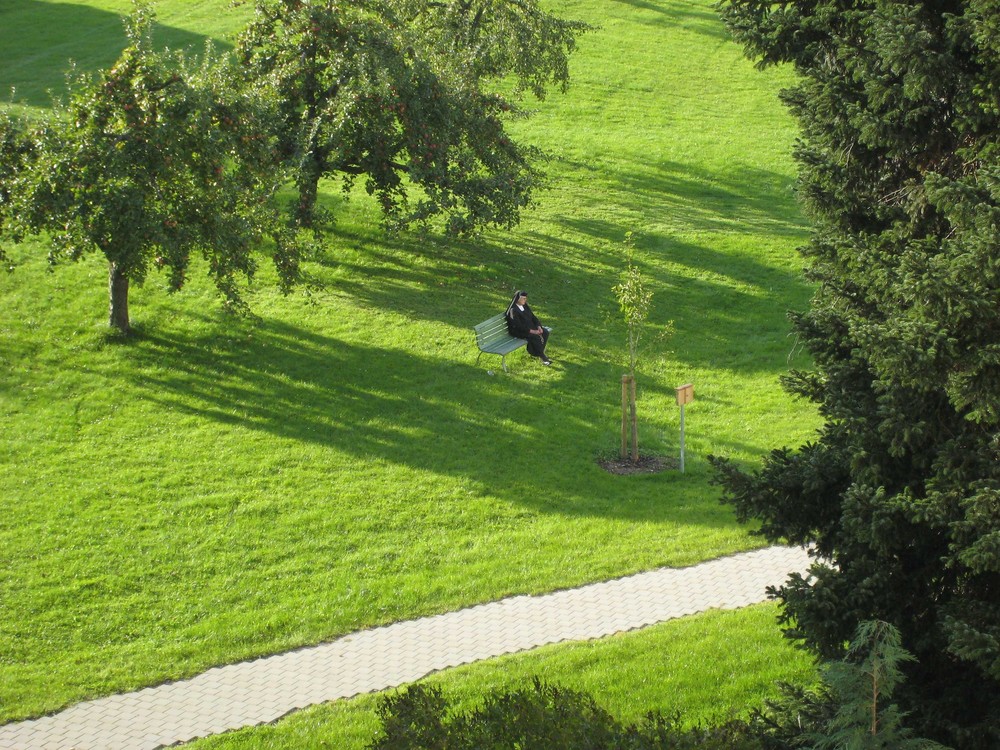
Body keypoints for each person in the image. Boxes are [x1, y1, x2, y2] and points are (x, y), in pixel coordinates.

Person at [505, 290, 552, 365]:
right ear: (517, 299)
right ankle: (543, 357)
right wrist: (532, 331)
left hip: (529, 327)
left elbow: (533, 317)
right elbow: (518, 326)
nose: (525, 300)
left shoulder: (525, 306)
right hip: (518, 331)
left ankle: (535, 352)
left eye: (525, 298)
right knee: (535, 337)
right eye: (523, 298)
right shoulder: (513, 310)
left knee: (545, 332)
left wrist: (538, 326)